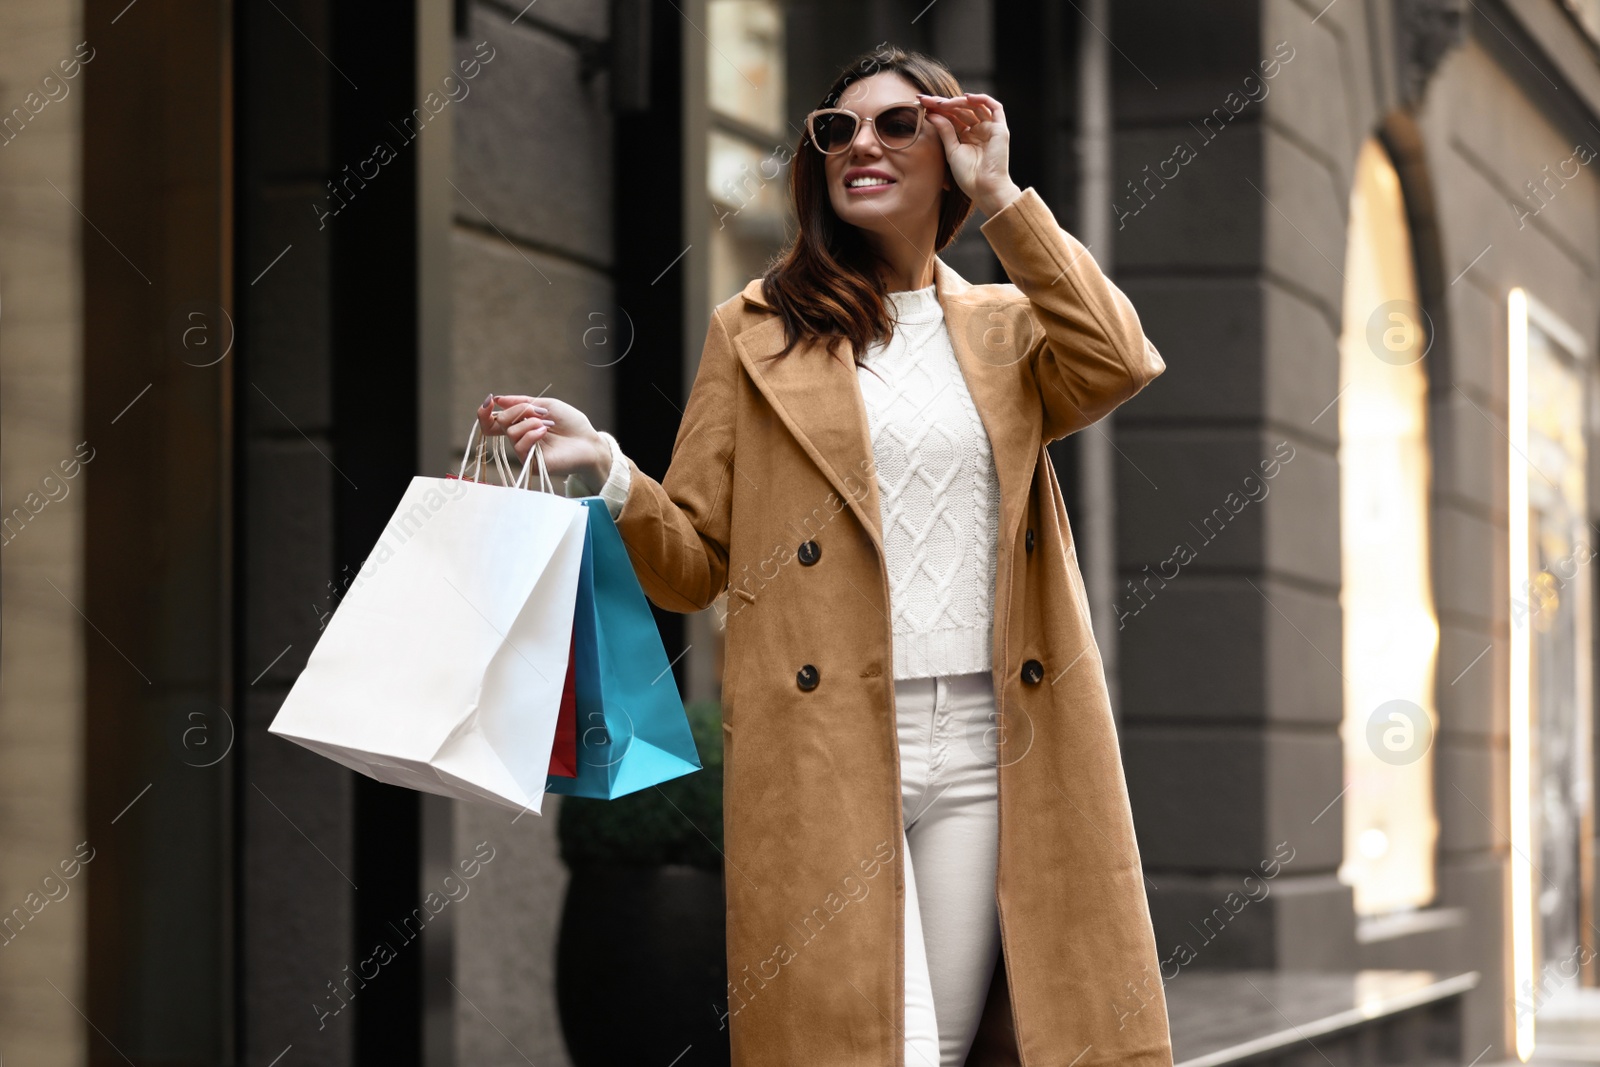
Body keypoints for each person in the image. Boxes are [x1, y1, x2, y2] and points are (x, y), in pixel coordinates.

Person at [480, 45, 1173, 1067]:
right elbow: (693, 565)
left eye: (897, 124)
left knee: (931, 1042)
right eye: (836, 128)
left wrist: (1004, 198)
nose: (861, 144)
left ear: (947, 147)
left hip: (990, 741)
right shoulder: (755, 331)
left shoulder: (1006, 330)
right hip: (827, 740)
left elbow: (1118, 360)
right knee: (862, 1044)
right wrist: (610, 471)